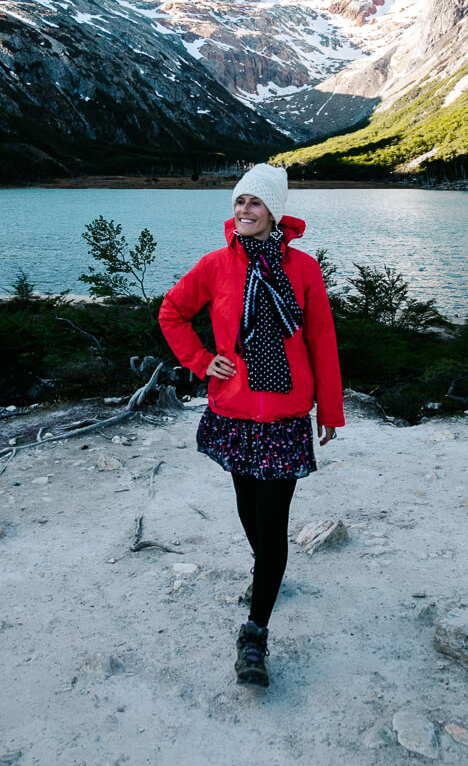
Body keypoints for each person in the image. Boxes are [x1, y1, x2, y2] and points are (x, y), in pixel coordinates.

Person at [159, 163, 344, 688]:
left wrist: (329, 411)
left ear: (274, 211)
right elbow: (171, 312)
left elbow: (322, 344)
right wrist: (200, 361)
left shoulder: (304, 270)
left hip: (284, 415)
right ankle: (269, 576)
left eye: (255, 203)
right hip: (234, 412)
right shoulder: (216, 266)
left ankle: (255, 632)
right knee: (248, 507)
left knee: (274, 521)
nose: (244, 210)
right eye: (239, 201)